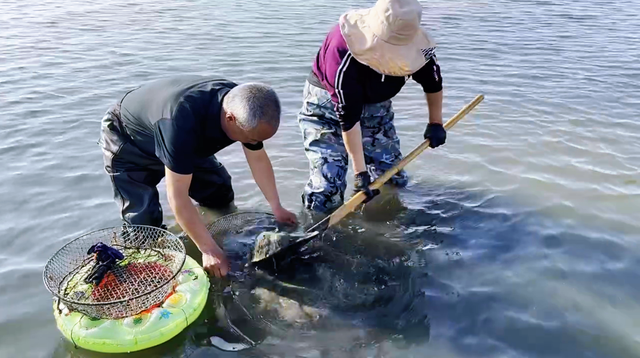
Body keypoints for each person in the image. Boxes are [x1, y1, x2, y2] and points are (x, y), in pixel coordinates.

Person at [98, 75, 297, 277]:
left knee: (218, 193)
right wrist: (207, 249)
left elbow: (258, 159)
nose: (255, 143)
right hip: (129, 140)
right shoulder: (181, 125)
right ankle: (147, 274)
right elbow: (177, 197)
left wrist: (276, 206)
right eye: (253, 139)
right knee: (144, 229)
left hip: (176, 138)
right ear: (230, 119)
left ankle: (208, 232)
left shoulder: (244, 103)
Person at [298, 0, 447, 214]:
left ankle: (387, 220)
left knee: (391, 178)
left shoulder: (417, 47)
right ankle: (317, 231)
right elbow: (348, 118)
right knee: (327, 187)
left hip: (376, 109)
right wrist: (360, 173)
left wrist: (435, 122)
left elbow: (433, 83)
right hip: (328, 111)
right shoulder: (343, 49)